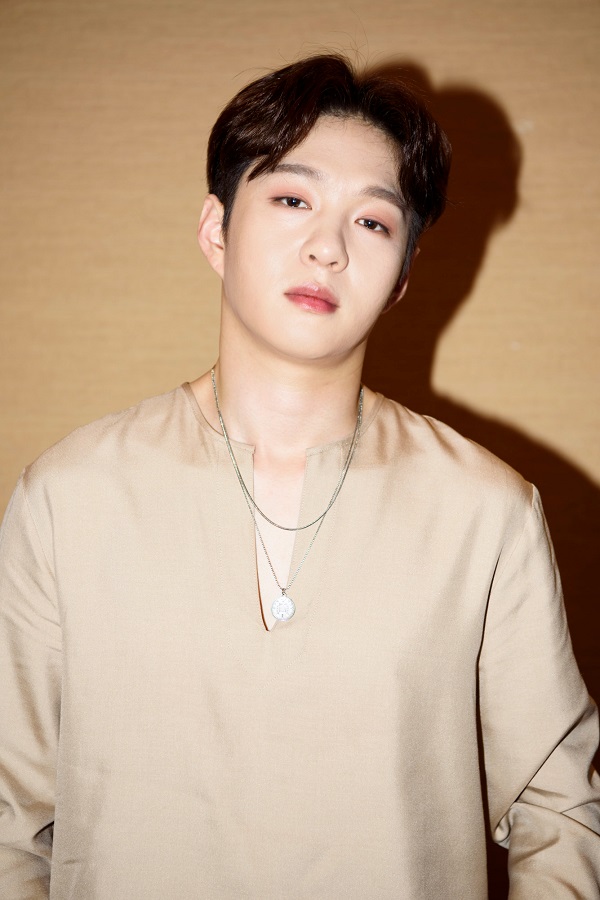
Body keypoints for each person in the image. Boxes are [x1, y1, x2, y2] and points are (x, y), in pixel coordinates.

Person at [0, 53, 598, 900]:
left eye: (373, 223)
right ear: (216, 230)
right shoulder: (69, 496)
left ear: (402, 276)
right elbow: (10, 817)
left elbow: (558, 805)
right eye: (292, 200)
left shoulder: (487, 511)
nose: (327, 247)